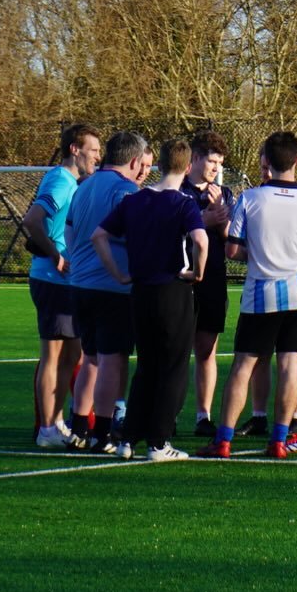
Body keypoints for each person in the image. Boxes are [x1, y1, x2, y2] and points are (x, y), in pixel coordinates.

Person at [198, 131, 297, 460]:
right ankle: (279, 440)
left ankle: (223, 440)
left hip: (261, 295)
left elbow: (232, 249)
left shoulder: (250, 199)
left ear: (266, 162)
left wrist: (258, 253)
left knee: (243, 366)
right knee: (290, 366)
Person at [92, 139, 208, 461]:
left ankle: (128, 439)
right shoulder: (184, 203)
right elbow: (201, 239)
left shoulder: (134, 200)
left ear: (157, 166)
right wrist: (197, 272)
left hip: (140, 292)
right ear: (187, 168)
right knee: (172, 367)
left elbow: (98, 236)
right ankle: (158, 442)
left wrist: (118, 273)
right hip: (173, 290)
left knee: (146, 366)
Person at [65, 129, 149, 454]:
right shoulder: (126, 192)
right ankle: (102, 433)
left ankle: (79, 428)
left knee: (91, 359)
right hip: (113, 286)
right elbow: (137, 238)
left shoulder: (83, 188)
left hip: (81, 284)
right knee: (112, 360)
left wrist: (78, 263)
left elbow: (70, 233)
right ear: (133, 160)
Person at [22, 123, 102, 449]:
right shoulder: (60, 181)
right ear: (75, 149)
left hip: (66, 281)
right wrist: (55, 254)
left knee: (73, 354)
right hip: (52, 280)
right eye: (93, 150)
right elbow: (32, 221)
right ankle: (48, 428)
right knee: (53, 356)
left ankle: (57, 421)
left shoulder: (71, 182)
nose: (98, 156)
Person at [178, 131, 234, 439]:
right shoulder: (178, 189)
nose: (214, 167)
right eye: (211, 160)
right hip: (183, 280)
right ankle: (170, 412)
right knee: (177, 349)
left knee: (206, 350)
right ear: (195, 157)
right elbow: (171, 230)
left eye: (219, 162)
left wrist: (221, 219)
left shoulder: (223, 192)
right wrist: (203, 219)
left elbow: (232, 241)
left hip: (213, 280)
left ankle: (203, 416)